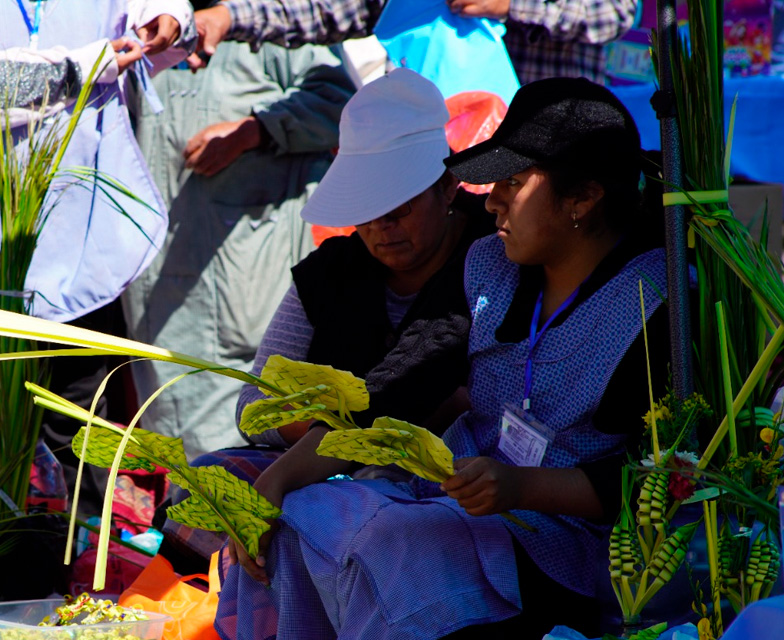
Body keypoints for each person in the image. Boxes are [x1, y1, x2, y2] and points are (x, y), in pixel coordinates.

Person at [216, 77, 669, 639]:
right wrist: (275, 483)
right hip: (459, 503)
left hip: (569, 546)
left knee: (388, 548)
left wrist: (521, 487)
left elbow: (655, 477)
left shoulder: (653, 302)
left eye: (513, 182)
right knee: (290, 521)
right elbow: (400, 386)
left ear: (582, 197)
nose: (493, 199)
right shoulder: (492, 264)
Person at [153, 68, 491, 571]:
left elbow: (444, 391)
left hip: (447, 479)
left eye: (398, 208)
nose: (381, 228)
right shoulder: (332, 272)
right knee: (206, 487)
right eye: (366, 212)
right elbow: (253, 403)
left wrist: (306, 461)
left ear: (446, 188)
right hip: (318, 467)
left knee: (338, 510)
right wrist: (324, 437)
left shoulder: (489, 255)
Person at [0, 0, 194, 510]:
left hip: (83, 237)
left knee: (83, 438)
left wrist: (169, 20)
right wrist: (87, 66)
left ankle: (89, 581)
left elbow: (167, 20)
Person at [123, 14, 355, 455]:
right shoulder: (143, 19)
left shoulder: (273, 17)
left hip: (243, 279)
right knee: (172, 440)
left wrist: (255, 130)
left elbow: (342, 102)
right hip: (159, 279)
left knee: (243, 446)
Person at [188, 0, 637, 85]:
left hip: (550, 161)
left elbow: (614, 13)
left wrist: (511, 6)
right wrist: (228, 16)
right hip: (442, 163)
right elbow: (328, 9)